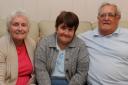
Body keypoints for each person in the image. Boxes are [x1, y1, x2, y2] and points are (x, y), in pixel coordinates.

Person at [79, 2, 128, 85]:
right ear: (98, 18)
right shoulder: (86, 37)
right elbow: (63, 38)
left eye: (110, 15)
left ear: (118, 18)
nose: (106, 18)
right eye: (102, 15)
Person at [35, 11, 89, 85]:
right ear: (57, 28)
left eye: (70, 30)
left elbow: (82, 72)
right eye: (63, 28)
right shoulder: (44, 43)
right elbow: (40, 70)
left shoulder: (80, 46)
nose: (66, 33)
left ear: (74, 31)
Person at [0, 11, 36, 85]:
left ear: (28, 29)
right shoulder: (2, 44)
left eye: (23, 25)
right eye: (16, 24)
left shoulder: (32, 43)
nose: (20, 28)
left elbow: (35, 73)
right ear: (9, 28)